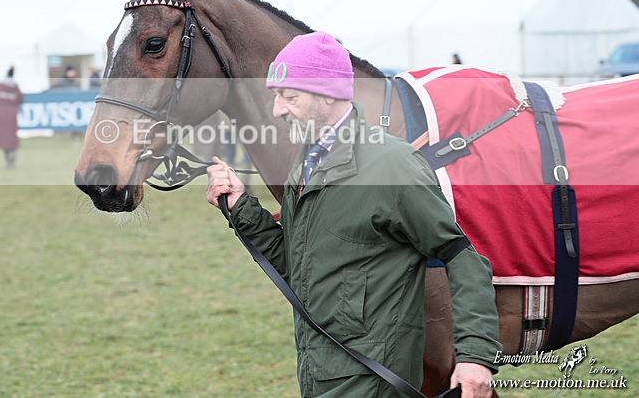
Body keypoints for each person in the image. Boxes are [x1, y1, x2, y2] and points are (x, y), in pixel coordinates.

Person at [206, 32, 500, 398]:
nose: (277, 109)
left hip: (374, 378)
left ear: (327, 95)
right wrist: (242, 208)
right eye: (276, 96)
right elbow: (300, 268)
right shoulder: (307, 160)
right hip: (319, 371)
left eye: (290, 96)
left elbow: (461, 257)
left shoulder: (391, 166)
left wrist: (475, 356)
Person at [0, 66, 24, 169]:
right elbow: (21, 99)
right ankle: (12, 162)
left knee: (3, 139)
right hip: (12, 115)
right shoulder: (15, 87)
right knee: (11, 139)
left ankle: (8, 162)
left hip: (0, 115)